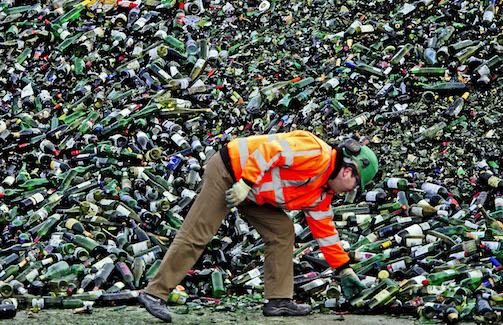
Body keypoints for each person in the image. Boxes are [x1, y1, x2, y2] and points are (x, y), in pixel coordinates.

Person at [137, 130, 379, 322]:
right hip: (229, 172)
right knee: (199, 231)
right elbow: (270, 150)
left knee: (282, 231)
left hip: (252, 193)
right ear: (348, 171)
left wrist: (344, 270)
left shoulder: (321, 193)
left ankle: (278, 300)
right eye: (355, 185)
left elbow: (326, 232)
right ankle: (155, 293)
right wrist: (245, 183)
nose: (352, 192)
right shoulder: (316, 153)